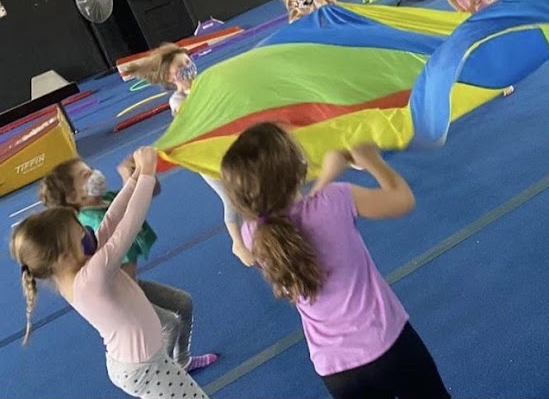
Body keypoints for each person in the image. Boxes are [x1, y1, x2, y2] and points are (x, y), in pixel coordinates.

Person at [219, 124, 450, 399]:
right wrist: (371, 160)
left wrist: (329, 174)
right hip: (387, 345)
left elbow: (299, 214)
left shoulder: (255, 233)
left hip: (335, 369)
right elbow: (402, 199)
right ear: (299, 169)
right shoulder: (335, 200)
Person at [11, 147, 209, 399]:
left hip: (145, 360)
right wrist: (147, 174)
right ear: (64, 257)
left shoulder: (80, 263)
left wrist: (135, 179)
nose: (91, 234)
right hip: (145, 369)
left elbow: (111, 220)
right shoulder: (90, 278)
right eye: (83, 236)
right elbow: (128, 226)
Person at [122, 44, 253, 266]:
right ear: (169, 77)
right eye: (180, 66)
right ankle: (238, 243)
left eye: (187, 62)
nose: (187, 67)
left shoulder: (206, 82)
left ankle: (258, 227)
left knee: (250, 187)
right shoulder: (177, 100)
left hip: (229, 146)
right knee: (231, 198)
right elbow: (191, 119)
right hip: (204, 156)